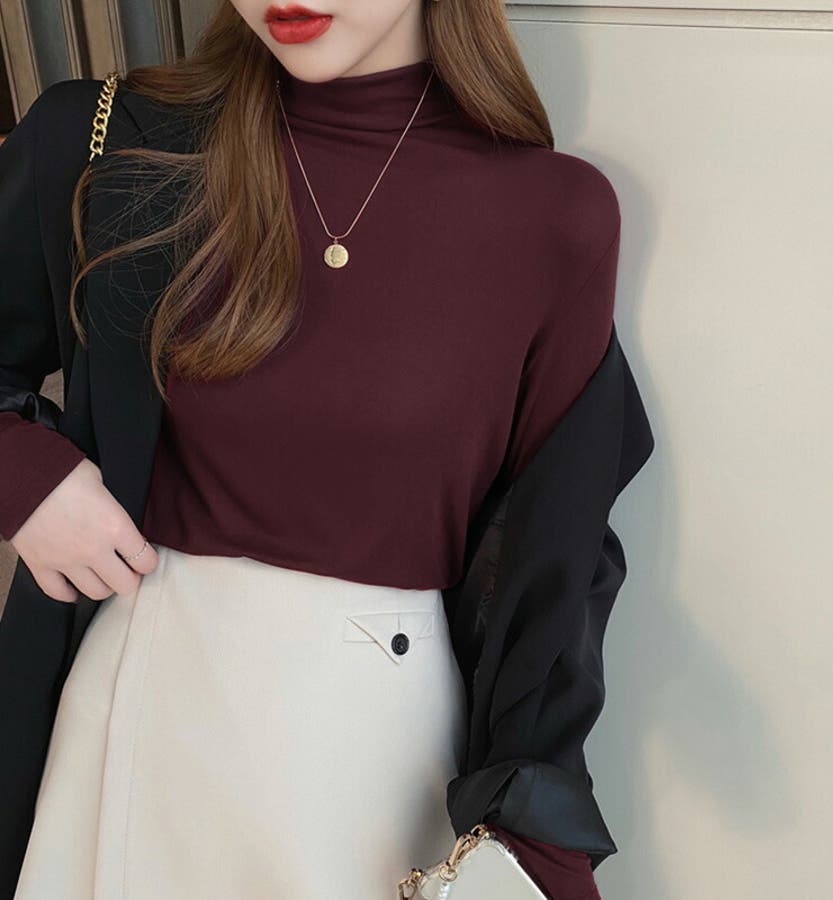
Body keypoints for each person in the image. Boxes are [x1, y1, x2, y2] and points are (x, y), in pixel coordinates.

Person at [0, 1, 639, 897]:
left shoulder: (553, 215)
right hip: (142, 718)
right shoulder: (112, 142)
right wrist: (23, 475)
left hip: (378, 756)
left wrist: (541, 835)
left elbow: (555, 555)